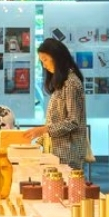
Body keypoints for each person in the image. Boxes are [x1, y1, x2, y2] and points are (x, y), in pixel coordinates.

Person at [24, 37, 89, 170]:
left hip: (68, 153)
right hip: (59, 151)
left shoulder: (71, 83)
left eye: (46, 60)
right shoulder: (63, 82)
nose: (44, 65)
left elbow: (73, 121)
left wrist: (44, 129)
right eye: (42, 61)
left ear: (57, 57)